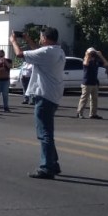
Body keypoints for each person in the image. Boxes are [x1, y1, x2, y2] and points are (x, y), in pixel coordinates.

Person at [11, 28, 65, 179]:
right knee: (47, 132)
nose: (40, 39)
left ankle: (47, 167)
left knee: (44, 134)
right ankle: (52, 163)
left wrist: (14, 41)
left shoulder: (47, 52)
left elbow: (20, 54)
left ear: (46, 38)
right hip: (52, 94)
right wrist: (28, 40)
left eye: (41, 37)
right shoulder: (56, 51)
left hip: (44, 95)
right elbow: (38, 52)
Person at [76, 47, 108, 119]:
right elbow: (86, 63)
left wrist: (100, 55)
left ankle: (93, 114)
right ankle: (79, 113)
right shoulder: (86, 60)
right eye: (92, 54)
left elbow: (106, 64)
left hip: (94, 82)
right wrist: (88, 54)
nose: (93, 55)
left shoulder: (96, 61)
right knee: (84, 98)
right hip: (87, 83)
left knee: (94, 99)